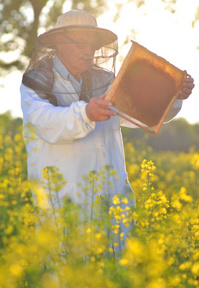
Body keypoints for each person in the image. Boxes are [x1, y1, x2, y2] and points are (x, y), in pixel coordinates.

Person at [20, 9, 194, 247]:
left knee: (114, 276)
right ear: (59, 41)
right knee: (66, 278)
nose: (89, 50)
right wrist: (86, 113)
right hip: (65, 203)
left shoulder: (105, 82)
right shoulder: (35, 83)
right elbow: (45, 123)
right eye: (81, 42)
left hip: (113, 202)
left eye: (92, 44)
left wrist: (173, 94)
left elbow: (147, 113)